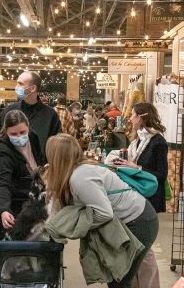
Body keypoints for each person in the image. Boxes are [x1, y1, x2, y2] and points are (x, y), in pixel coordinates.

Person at [45, 133, 159, 288]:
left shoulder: (80, 177)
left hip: (138, 222)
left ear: (58, 158)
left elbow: (104, 213)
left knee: (120, 279)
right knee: (119, 279)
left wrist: (77, 224)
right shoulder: (79, 171)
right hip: (134, 218)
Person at [113, 102, 168, 288]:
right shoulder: (137, 140)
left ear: (142, 117)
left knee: (145, 248)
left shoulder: (158, 141)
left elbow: (161, 174)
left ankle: (149, 284)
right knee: (137, 246)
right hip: (135, 196)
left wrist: (137, 168)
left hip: (149, 198)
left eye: (133, 115)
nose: (130, 118)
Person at [0, 110, 44, 239]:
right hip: (16, 199)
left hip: (37, 194)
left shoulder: (33, 137)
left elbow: (41, 162)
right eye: (13, 134)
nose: (19, 137)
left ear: (28, 127)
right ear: (6, 132)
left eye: (22, 132)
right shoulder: (2, 152)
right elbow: (3, 183)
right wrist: (4, 210)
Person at [0, 71, 61, 154]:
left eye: (20, 84)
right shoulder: (8, 111)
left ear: (33, 88)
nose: (16, 87)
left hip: (40, 165)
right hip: (11, 165)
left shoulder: (50, 115)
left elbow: (56, 146)